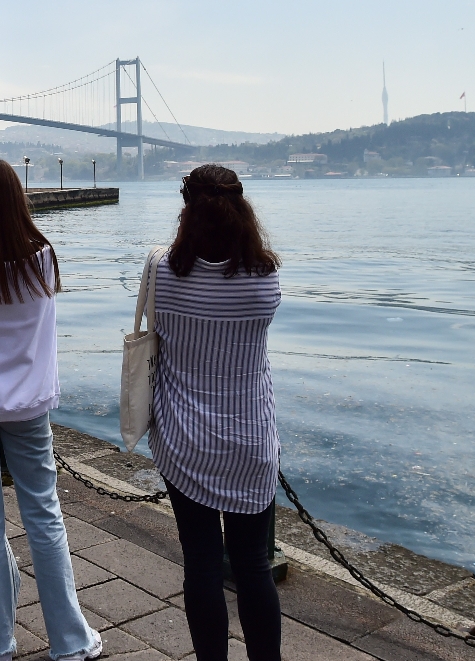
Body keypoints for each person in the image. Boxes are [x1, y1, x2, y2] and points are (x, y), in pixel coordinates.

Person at [0, 158, 103, 661]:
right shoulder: (43, 261)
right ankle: (70, 643)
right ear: (19, 200)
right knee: (43, 514)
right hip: (26, 407)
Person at [148, 164, 283, 661]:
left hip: (186, 442)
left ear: (187, 208)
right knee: (252, 568)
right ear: (242, 208)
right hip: (250, 443)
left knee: (201, 566)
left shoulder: (161, 271)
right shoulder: (265, 280)